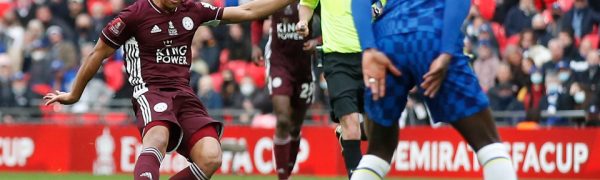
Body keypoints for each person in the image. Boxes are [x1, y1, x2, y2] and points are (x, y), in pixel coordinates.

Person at [43, 0, 298, 179]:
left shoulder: (192, 9)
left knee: (211, 157)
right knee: (158, 138)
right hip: (150, 90)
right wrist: (74, 94)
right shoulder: (135, 14)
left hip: (184, 94)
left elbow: (246, 11)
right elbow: (97, 54)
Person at [351, 0, 518, 179]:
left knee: (377, 153)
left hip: (388, 38)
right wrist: (446, 51)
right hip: (432, 33)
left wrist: (368, 48)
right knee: (489, 143)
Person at [296, 0, 379, 177]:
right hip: (336, 59)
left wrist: (377, 8)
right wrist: (303, 21)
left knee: (376, 127)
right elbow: (307, 4)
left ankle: (348, 136)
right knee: (351, 124)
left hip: (370, 55)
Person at [250, 2, 319, 179]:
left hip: (304, 65)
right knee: (282, 119)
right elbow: (258, 17)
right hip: (278, 62)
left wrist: (317, 41)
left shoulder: (310, 2)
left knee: (295, 126)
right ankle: (282, 177)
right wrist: (255, 45)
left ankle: (286, 172)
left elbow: (331, 22)